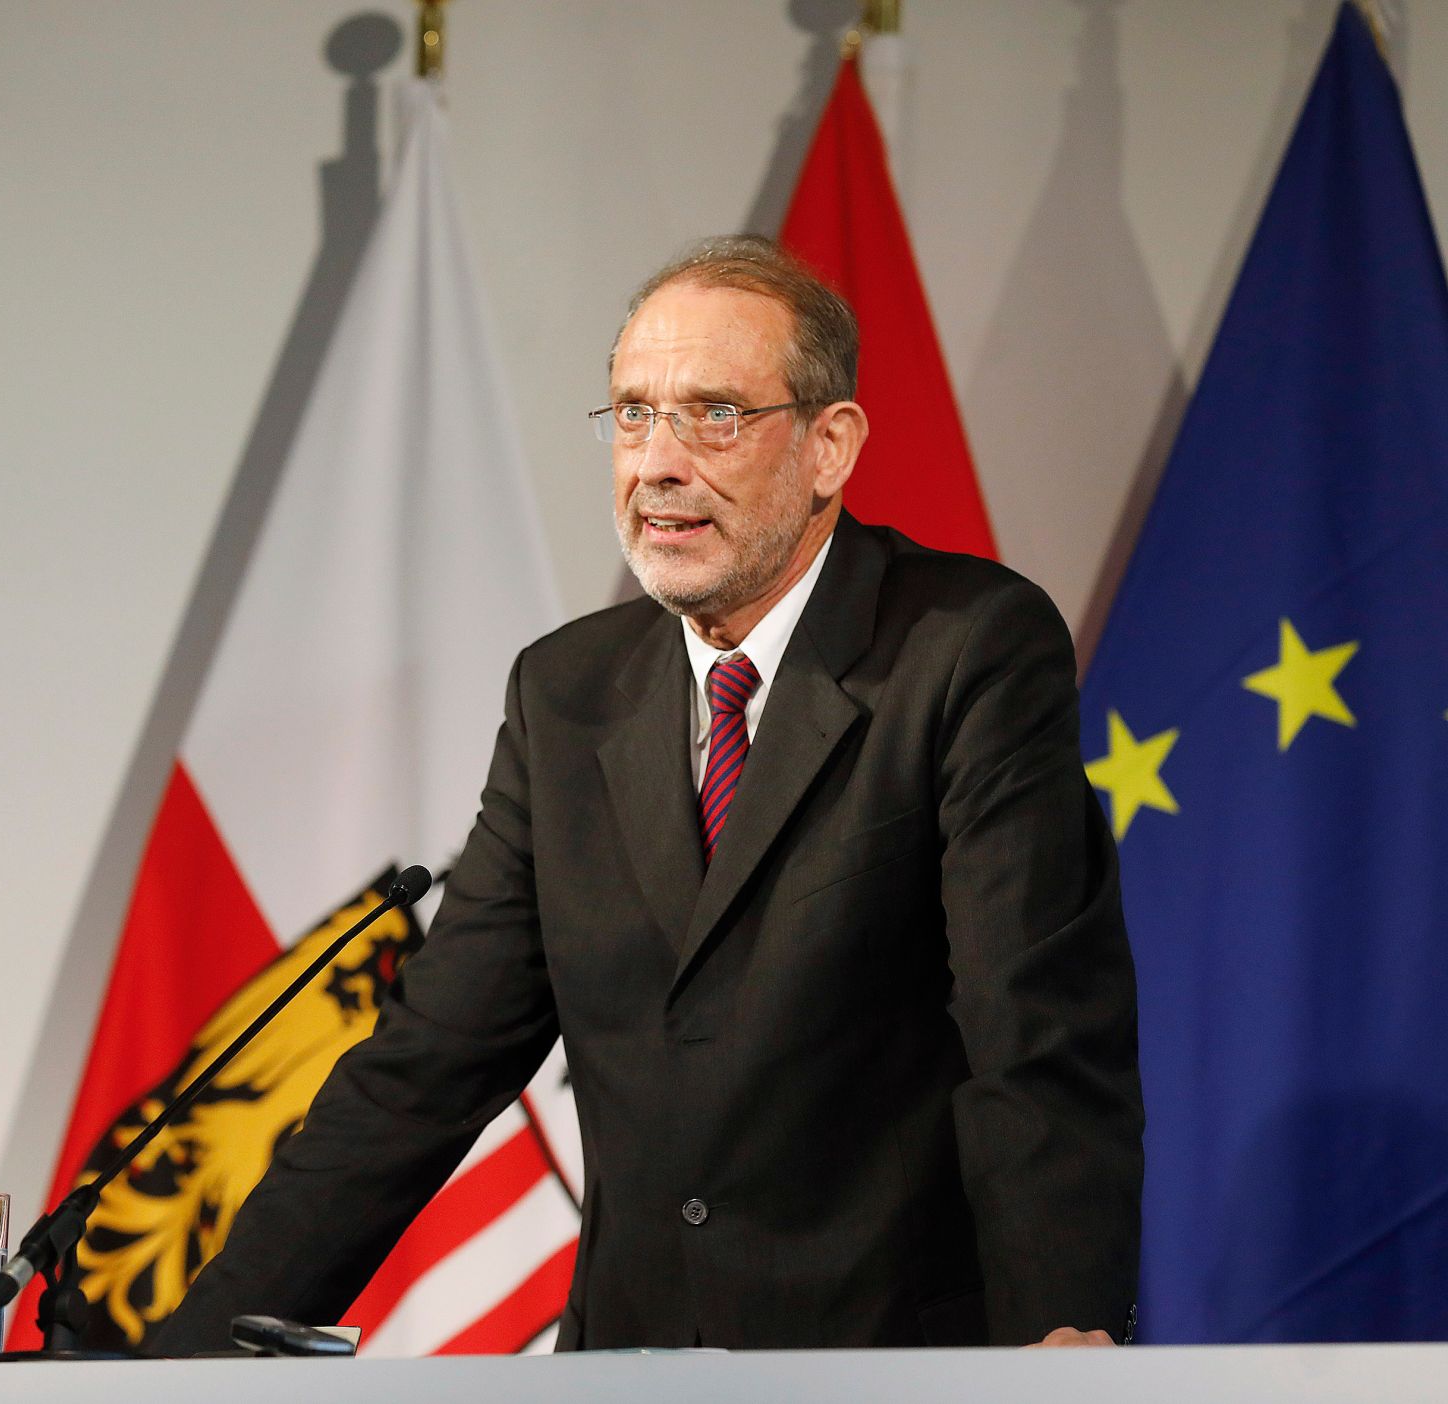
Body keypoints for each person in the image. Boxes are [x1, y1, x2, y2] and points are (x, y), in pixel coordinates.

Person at [152, 237, 1142, 1354]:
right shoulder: (566, 693)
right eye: (633, 415)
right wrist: (190, 1368)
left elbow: (1036, 1031)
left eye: (715, 414)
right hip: (628, 1367)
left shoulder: (963, 650)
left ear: (828, 446)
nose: (657, 464)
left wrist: (1060, 1347)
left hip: (884, 1364)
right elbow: (426, 1068)